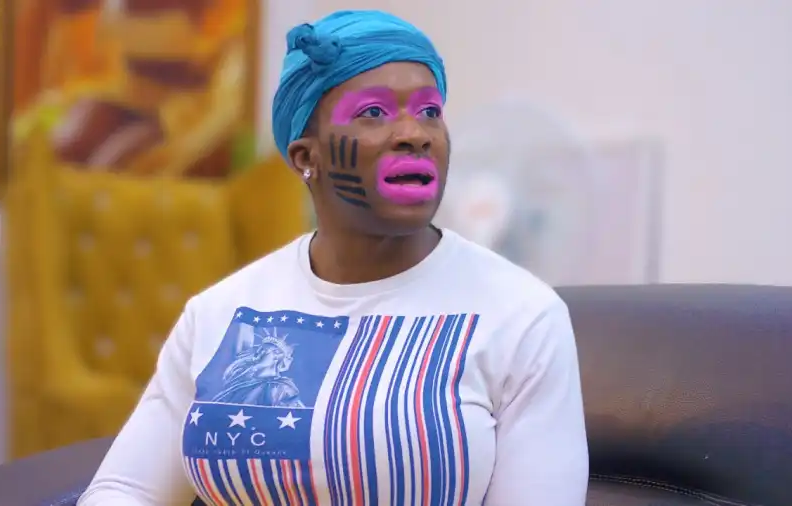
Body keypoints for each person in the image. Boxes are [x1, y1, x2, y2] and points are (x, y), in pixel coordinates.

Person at [79, 9, 588, 506]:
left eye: (430, 111)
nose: (416, 133)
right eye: (374, 113)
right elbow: (126, 489)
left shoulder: (522, 316)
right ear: (307, 157)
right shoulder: (221, 314)